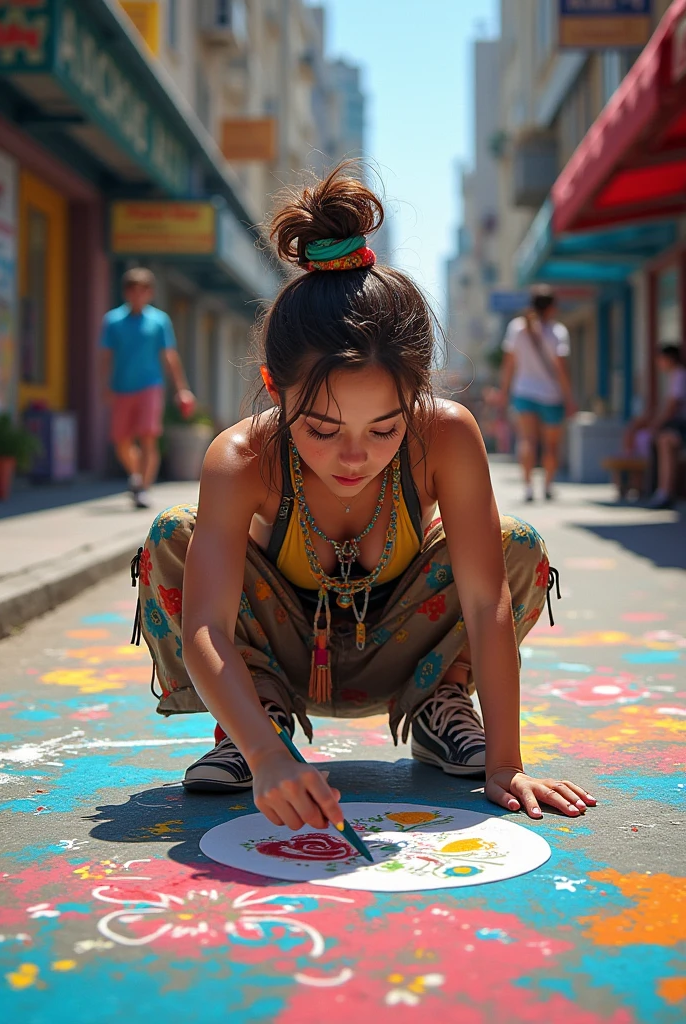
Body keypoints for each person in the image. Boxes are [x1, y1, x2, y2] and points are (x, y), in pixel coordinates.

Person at [133, 167, 595, 832]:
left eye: (384, 428)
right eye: (322, 428)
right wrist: (266, 755)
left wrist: (506, 764)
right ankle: (252, 716)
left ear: (417, 395)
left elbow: (487, 602)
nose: (354, 456)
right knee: (175, 534)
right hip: (281, 656)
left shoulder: (447, 436)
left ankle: (442, 702)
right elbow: (205, 624)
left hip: (408, 655)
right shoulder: (241, 459)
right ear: (275, 387)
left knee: (515, 543)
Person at [100, 268, 196, 509]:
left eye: (143, 290)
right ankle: (136, 474)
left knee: (147, 438)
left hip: (150, 387)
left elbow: (169, 356)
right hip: (122, 388)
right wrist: (106, 385)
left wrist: (181, 389)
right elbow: (106, 357)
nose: (138, 295)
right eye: (133, 290)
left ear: (150, 293)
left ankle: (142, 489)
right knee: (121, 441)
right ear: (126, 292)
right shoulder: (112, 321)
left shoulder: (159, 321)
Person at [500, 286, 575, 502]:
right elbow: (561, 368)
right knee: (551, 445)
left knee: (527, 440)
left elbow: (509, 364)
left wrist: (504, 392)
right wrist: (569, 398)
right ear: (551, 307)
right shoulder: (558, 332)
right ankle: (548, 486)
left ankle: (528, 488)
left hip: (523, 391)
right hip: (551, 395)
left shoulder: (516, 328)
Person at [643, 344, 686, 509]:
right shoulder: (674, 376)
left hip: (681, 426)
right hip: (678, 425)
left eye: (660, 358)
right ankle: (658, 490)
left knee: (665, 440)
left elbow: (672, 406)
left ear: (669, 359)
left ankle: (665, 492)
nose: (658, 363)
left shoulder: (680, 375)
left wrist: (656, 424)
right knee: (659, 440)